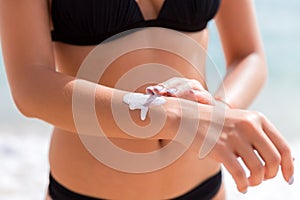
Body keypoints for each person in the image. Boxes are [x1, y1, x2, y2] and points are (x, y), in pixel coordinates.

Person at [0, 0, 294, 199]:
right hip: (89, 192)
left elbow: (249, 55)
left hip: (203, 186)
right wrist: (177, 117)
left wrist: (216, 115)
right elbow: (31, 86)